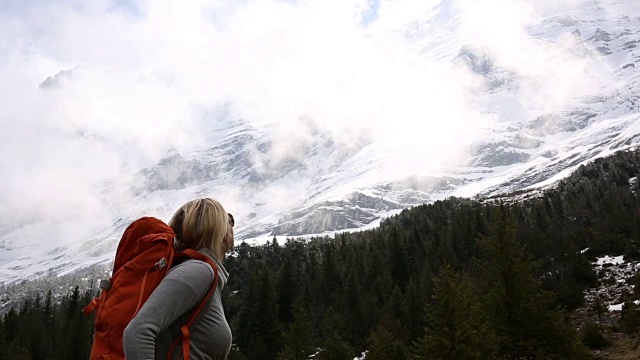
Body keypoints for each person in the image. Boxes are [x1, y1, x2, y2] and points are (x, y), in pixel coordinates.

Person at [123, 198, 235, 360]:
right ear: (218, 230)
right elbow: (137, 332)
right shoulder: (198, 271)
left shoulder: (204, 274)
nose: (232, 224)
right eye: (229, 220)